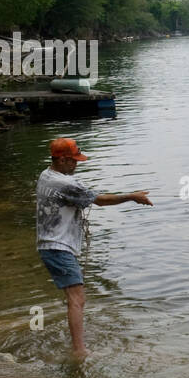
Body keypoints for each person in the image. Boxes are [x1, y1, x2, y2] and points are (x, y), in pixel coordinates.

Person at [36, 137, 152, 359]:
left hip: (50, 244)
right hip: (58, 247)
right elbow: (100, 201)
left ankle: (77, 347)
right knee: (77, 298)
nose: (77, 164)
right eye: (73, 160)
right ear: (61, 160)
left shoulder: (46, 175)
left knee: (76, 297)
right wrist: (132, 197)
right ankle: (80, 352)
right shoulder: (65, 184)